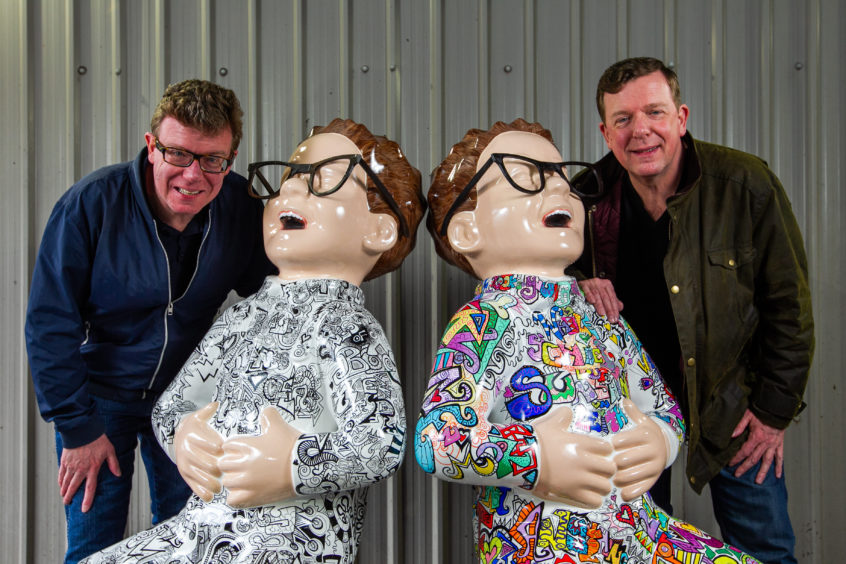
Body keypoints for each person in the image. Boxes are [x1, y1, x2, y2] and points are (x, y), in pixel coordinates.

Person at [416, 118, 759, 563]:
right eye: (526, 179)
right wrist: (537, 458)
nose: (558, 190)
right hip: (542, 540)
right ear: (467, 231)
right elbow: (438, 439)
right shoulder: (484, 323)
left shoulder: (600, 313)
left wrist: (660, 440)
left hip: (640, 529)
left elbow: (665, 407)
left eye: (560, 176)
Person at [83, 118, 425, 563]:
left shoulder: (347, 326)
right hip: (202, 524)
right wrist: (184, 434)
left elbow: (382, 440)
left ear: (378, 231)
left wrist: (292, 464)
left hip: (291, 536)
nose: (291, 194)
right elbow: (172, 405)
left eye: (322, 182)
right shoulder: (242, 317)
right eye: (289, 180)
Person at [569, 57, 814, 563]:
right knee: (631, 549)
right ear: (605, 130)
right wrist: (577, 284)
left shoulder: (746, 186)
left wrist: (772, 414)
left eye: (654, 113)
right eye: (623, 119)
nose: (641, 131)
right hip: (627, 413)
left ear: (681, 118)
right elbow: (540, 281)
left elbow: (789, 308)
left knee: (765, 549)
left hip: (730, 408)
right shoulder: (584, 198)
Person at [25, 79, 273, 563]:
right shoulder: (91, 204)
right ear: (151, 146)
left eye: (212, 160)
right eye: (178, 154)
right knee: (94, 547)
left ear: (231, 158)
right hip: (98, 402)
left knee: (188, 544)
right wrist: (77, 430)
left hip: (191, 403)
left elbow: (269, 295)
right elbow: (50, 323)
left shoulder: (241, 207)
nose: (193, 175)